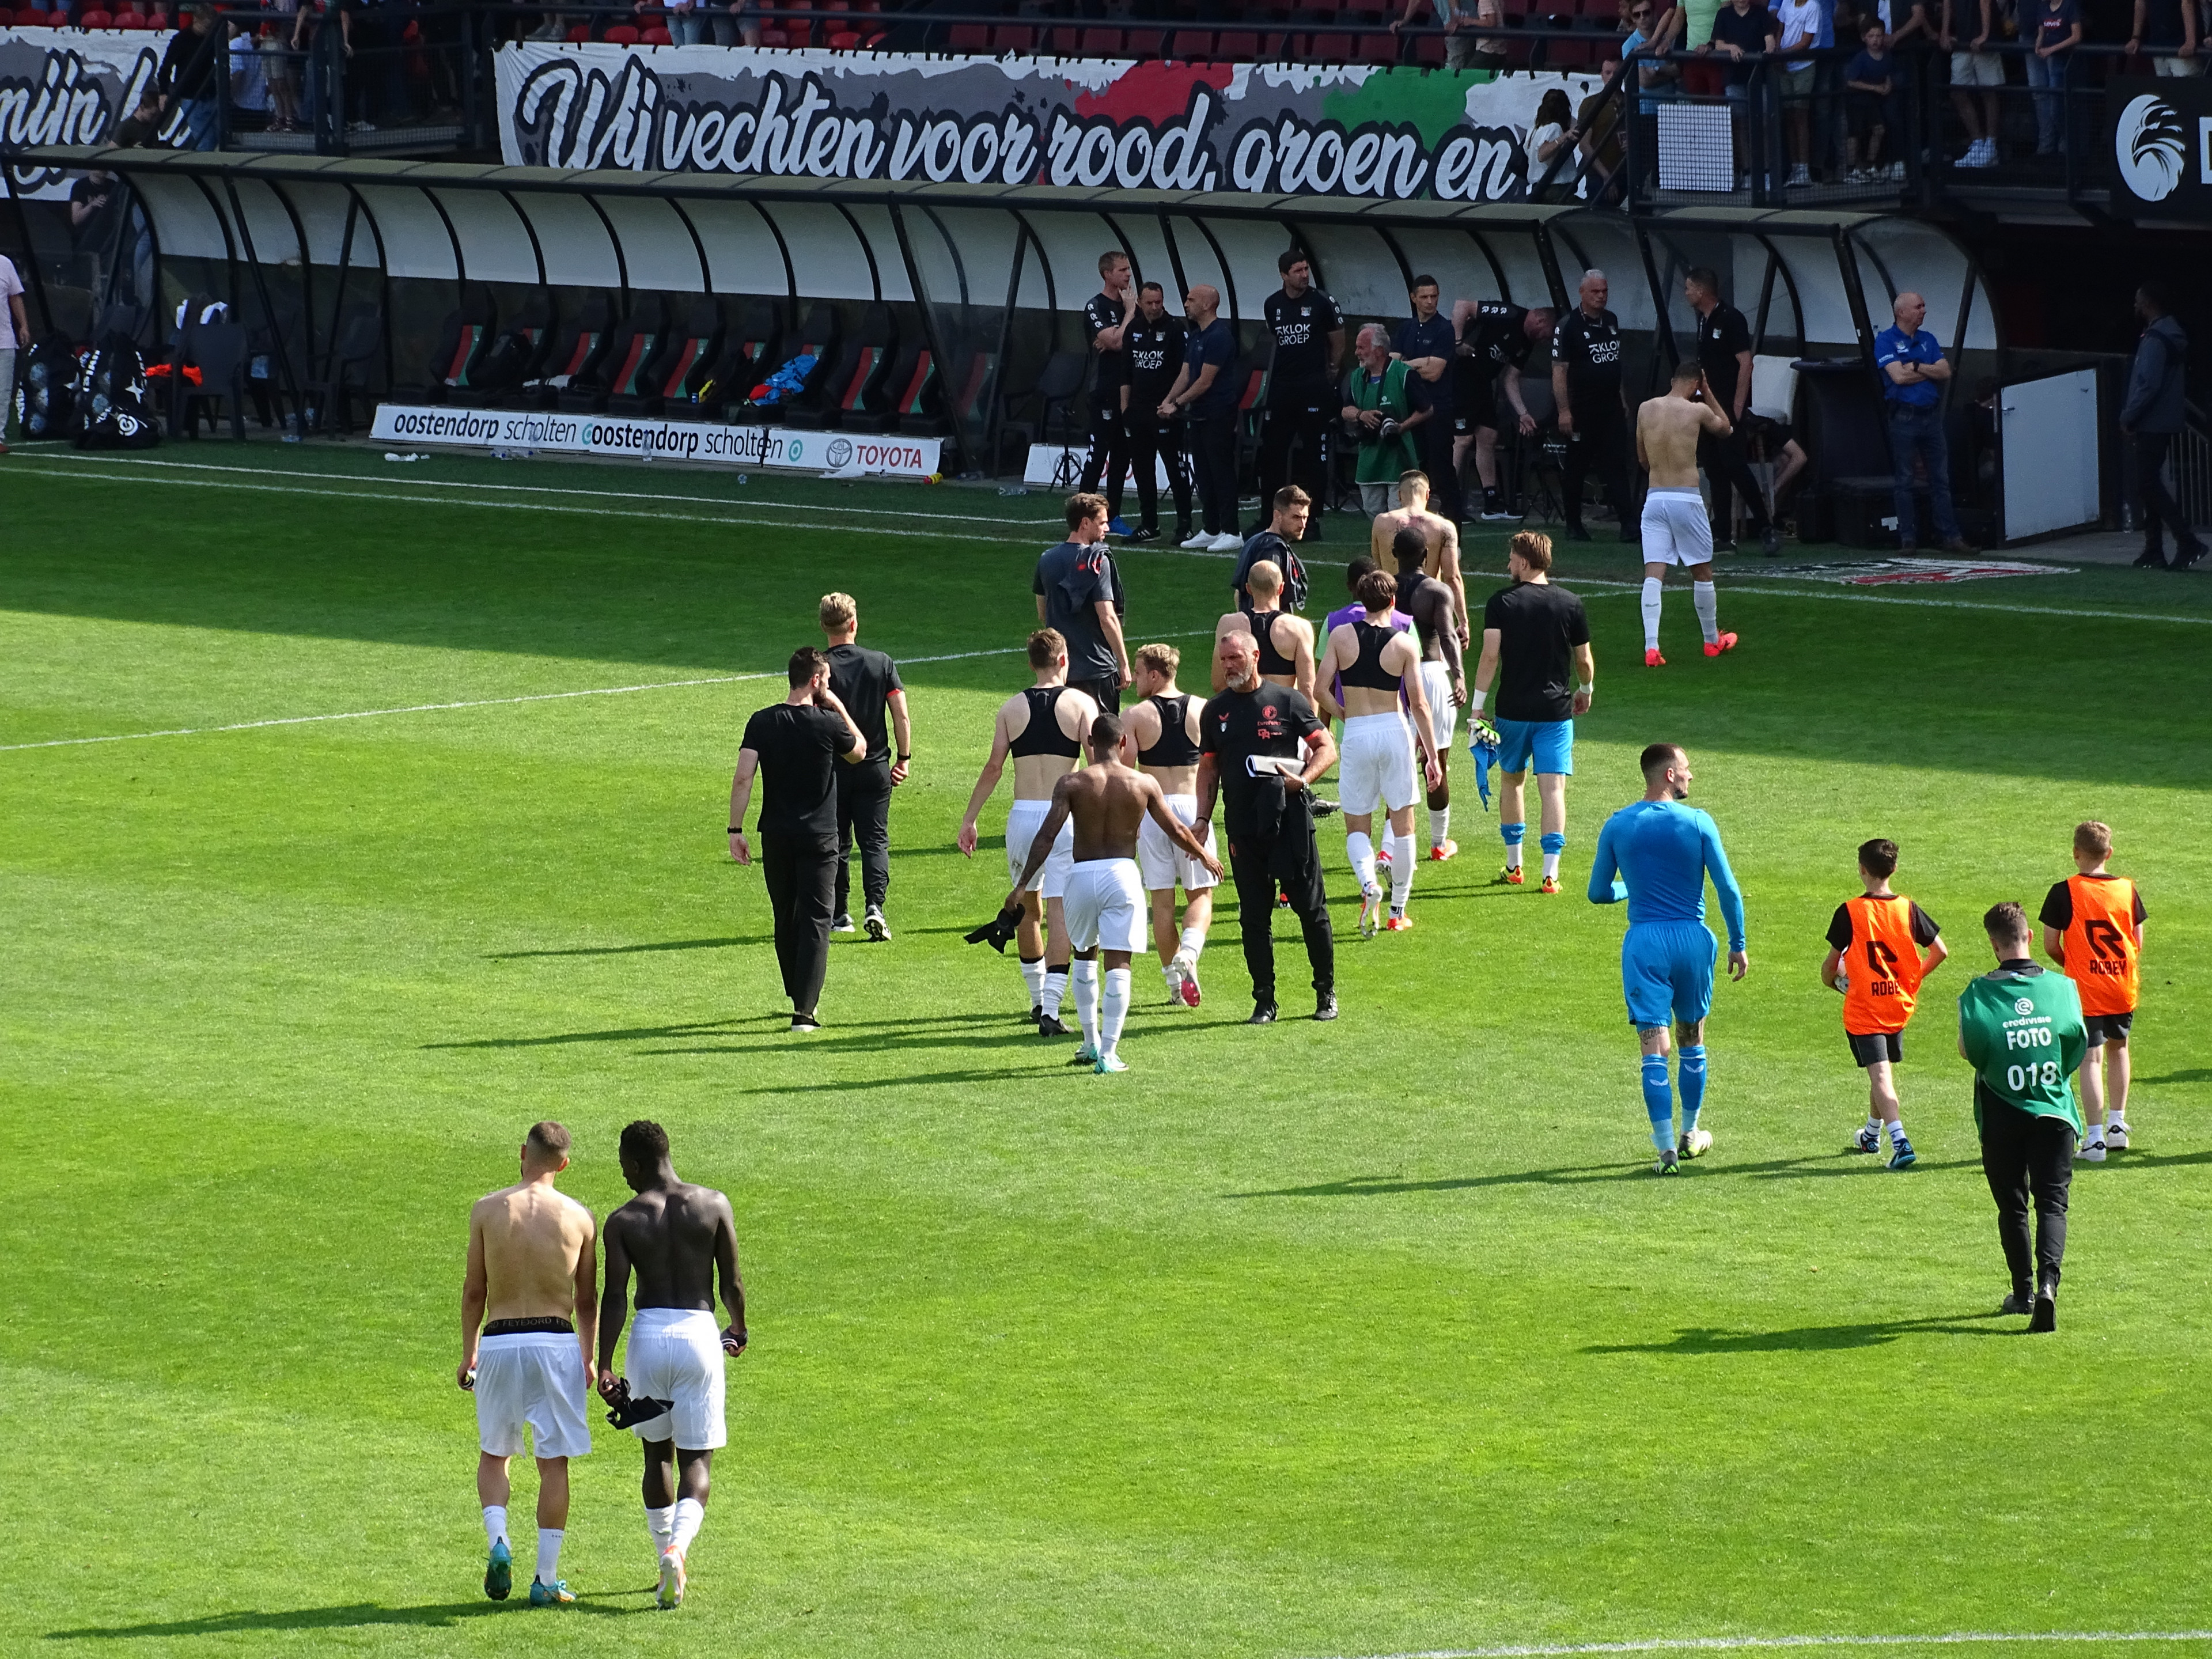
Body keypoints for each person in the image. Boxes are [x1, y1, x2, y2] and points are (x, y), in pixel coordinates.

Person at [1009, 713, 1222, 1071]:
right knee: (1119, 962)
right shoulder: (1143, 783)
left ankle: (1089, 1042)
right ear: (1124, 743)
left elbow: (1046, 836)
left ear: (1091, 743)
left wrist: (1021, 885)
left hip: (1080, 875)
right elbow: (1176, 830)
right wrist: (1204, 855)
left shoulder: (1072, 782)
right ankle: (1109, 1052)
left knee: (1084, 957)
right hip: (1121, 875)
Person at [597, 1120, 748, 1609]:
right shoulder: (714, 1204)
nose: (623, 1176)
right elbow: (731, 1282)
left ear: (637, 1163)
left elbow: (615, 1297)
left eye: (624, 1167)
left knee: (656, 1456)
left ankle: (665, 1555)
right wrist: (738, 1327)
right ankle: (678, 1551)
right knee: (696, 1460)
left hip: (649, 1337)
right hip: (699, 1335)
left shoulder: (623, 1220)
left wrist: (604, 1364)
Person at [1587, 744, 1749, 1174]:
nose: (1691, 775)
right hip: (1693, 940)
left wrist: (1633, 888)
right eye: (1686, 769)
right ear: (1669, 775)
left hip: (1645, 944)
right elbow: (1728, 889)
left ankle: (1665, 1153)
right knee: (1691, 1038)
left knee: (1653, 1048)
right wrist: (1738, 942)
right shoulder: (1698, 822)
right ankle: (1690, 1134)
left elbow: (1598, 892)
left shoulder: (1618, 825)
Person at [460, 1121, 598, 1608]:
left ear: (523, 1152)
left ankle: (499, 1539)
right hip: (556, 1341)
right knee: (553, 1463)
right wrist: (589, 1356)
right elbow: (587, 1299)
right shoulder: (580, 1218)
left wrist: (469, 1351)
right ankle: (546, 1579)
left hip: (499, 1341)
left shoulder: (487, 1210)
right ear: (565, 1164)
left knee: (494, 1453)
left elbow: (475, 1291)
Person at [960, 631, 1101, 1034]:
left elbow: (994, 768)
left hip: (1022, 817)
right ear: (1064, 660)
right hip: (1063, 817)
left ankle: (1038, 1001)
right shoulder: (1080, 705)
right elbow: (1096, 765)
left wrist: (970, 819)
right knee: (1058, 909)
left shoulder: (1011, 708)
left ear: (1030, 663)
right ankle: (1052, 1009)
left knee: (1026, 907)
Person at [1196, 631, 1340, 1023]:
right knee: (1254, 918)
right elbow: (1208, 768)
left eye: (1235, 658)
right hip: (1243, 827)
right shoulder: (1215, 711)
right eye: (1223, 660)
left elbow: (1327, 748)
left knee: (1312, 911)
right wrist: (1202, 819)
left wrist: (1303, 781)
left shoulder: (1287, 701)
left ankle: (1325, 993)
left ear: (1255, 656)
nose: (1228, 666)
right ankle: (1264, 1000)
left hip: (1290, 823)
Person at [1957, 903, 2086, 1332]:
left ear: (1994, 945)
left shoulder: (1977, 994)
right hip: (2053, 1109)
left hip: (2001, 1112)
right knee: (2052, 1203)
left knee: (2012, 1205)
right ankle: (2049, 1284)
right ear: (2029, 936)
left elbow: (1969, 1050)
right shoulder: (2064, 988)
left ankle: (2023, 1292)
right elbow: (2076, 1046)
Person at [727, 650, 867, 1033]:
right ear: (816, 680)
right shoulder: (828, 723)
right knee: (818, 919)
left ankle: (796, 990)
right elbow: (860, 752)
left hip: (776, 834)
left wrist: (735, 830)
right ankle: (805, 1011)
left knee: (785, 915)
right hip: (820, 836)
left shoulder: (761, 721)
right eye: (828, 681)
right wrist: (839, 707)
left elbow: (743, 777)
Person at [1317, 569, 1446, 935]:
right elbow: (1419, 705)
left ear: (1361, 599)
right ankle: (1397, 910)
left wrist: (1345, 715)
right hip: (1394, 730)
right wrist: (1432, 756)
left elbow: (1320, 689)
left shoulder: (1341, 636)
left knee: (1357, 823)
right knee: (1404, 824)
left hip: (1357, 733)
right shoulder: (1404, 643)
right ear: (1393, 601)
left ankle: (1368, 882)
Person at [1472, 531, 1593, 893]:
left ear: (1524, 562)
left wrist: (1477, 706)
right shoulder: (1571, 603)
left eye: (1511, 559)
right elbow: (1584, 660)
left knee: (1512, 781)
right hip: (1555, 712)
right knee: (1553, 789)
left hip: (1512, 711)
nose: (1508, 565)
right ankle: (1550, 874)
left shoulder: (1501, 602)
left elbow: (1490, 656)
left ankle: (1514, 866)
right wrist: (1586, 690)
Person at [1821, 839, 1947, 1171]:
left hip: (1865, 1009)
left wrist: (1835, 983)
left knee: (1880, 1076)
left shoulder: (1850, 911)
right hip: (1897, 1005)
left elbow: (1830, 967)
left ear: (1862, 869)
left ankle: (1901, 1142)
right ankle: (1871, 1135)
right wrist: (1912, 980)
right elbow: (1940, 951)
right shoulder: (1908, 908)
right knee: (1882, 1071)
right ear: (1894, 868)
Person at [2040, 820, 2148, 1164]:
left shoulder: (2064, 891)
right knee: (2120, 1049)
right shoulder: (2127, 889)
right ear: (2109, 853)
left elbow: (2050, 944)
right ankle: (2117, 1125)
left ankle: (2095, 1138)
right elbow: (2137, 941)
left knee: (2091, 1058)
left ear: (2075, 853)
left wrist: (2075, 964)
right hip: (2121, 985)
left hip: (2085, 990)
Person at [1121, 644, 1222, 1006]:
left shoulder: (1134, 716)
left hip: (1154, 812)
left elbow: (1126, 773)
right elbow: (1215, 762)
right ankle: (1190, 952)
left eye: (1138, 672)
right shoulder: (1203, 709)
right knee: (1201, 895)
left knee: (1162, 904)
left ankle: (1176, 989)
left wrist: (1130, 821)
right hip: (1193, 810)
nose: (1133, 679)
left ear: (1154, 674)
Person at [1634, 360, 1740, 665]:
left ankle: (1651, 648)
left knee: (1653, 575)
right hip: (1686, 498)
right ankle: (1711, 641)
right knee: (1702, 572)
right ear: (1696, 384)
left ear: (1673, 380)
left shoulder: (1645, 408)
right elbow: (1727, 428)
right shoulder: (1698, 410)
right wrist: (1708, 392)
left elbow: (1642, 458)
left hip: (1655, 499)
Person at [818, 593, 910, 943]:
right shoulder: (880, 662)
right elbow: (900, 714)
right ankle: (876, 907)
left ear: (823, 626)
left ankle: (840, 913)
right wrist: (903, 758)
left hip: (832, 769)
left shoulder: (818, 669)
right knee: (875, 841)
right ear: (854, 624)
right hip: (875, 768)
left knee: (836, 841)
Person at [1683, 269, 1783, 557]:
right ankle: (1723, 535)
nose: (1686, 294)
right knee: (1714, 469)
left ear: (1701, 291)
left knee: (1735, 466)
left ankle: (1766, 527)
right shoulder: (1703, 320)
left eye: (1689, 288)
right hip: (1706, 405)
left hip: (1727, 406)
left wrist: (1738, 406)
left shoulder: (1731, 319)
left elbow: (1745, 362)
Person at [1388, 527, 1467, 862]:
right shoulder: (1436, 590)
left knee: (1398, 765)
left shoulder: (1384, 587)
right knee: (1437, 761)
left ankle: (1391, 847)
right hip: (1431, 674)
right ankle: (1438, 843)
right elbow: (1448, 636)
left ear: (1394, 554)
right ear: (1426, 555)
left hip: (1393, 676)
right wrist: (1460, 675)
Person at [1255, 250, 1346, 540]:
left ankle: (1312, 520)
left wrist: (1331, 371)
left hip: (1313, 387)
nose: (1304, 275)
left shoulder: (1322, 302)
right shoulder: (1273, 304)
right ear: (1284, 275)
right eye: (1298, 271)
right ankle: (1270, 518)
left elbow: (1338, 341)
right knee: (1273, 455)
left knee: (1314, 457)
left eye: (1306, 269)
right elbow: (1276, 340)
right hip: (1282, 387)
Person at [1876, 291, 1974, 554]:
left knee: (1941, 479)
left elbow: (1945, 372)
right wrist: (1928, 371)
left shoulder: (1927, 339)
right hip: (1904, 417)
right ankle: (1908, 538)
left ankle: (1950, 536)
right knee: (1905, 480)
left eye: (1923, 306)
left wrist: (1917, 366)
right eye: (1918, 307)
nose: (1923, 311)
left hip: (1931, 417)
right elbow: (1898, 378)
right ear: (1902, 312)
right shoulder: (1885, 340)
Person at [2120, 282, 2204, 570]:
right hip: (2164, 419)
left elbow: (2148, 384)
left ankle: (2185, 540)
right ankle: (2154, 548)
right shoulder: (2170, 334)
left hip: (2152, 421)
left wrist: (2129, 415)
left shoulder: (2155, 339)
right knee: (2148, 483)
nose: (2135, 306)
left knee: (2147, 483)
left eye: (2138, 301)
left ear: (2148, 304)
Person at [1552, 271, 1637, 545]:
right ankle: (1573, 524)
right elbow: (1559, 371)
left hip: (1611, 407)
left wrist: (1622, 399)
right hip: (1582, 409)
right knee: (1576, 466)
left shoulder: (1611, 320)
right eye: (1595, 292)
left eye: (1604, 291)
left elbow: (1615, 363)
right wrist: (1564, 411)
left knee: (1617, 464)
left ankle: (1628, 524)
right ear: (1582, 292)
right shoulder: (1568, 325)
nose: (1601, 296)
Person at [1453, 298, 1555, 524]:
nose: (1545, 340)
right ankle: (1447, 503)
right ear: (1540, 320)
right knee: (1462, 439)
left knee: (1488, 436)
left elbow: (1510, 379)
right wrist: (1457, 342)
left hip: (1482, 383)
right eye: (1546, 335)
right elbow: (1463, 306)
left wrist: (1523, 413)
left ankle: (1492, 503)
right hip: (1461, 375)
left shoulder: (1527, 343)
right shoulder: (1509, 314)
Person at [1157, 283, 1241, 554]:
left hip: (1218, 414)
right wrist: (1168, 400)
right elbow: (1185, 375)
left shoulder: (1219, 336)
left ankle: (1232, 531)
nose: (1186, 303)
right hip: (1198, 415)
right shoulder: (1195, 336)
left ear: (1207, 304)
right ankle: (1211, 528)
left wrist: (1177, 404)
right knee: (1204, 474)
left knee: (1221, 473)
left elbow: (1205, 381)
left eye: (1191, 299)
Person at [1033, 492, 1132, 711]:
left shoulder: (1046, 559)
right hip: (1097, 670)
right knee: (1103, 732)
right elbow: (1107, 617)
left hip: (1060, 671)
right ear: (1085, 523)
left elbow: (1042, 613)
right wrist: (1124, 664)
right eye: (1102, 523)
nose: (1107, 528)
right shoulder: (1097, 561)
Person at [1123, 282, 1193, 546]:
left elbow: (1185, 372)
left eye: (1159, 302)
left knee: (1175, 469)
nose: (1155, 307)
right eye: (1150, 303)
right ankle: (1149, 525)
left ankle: (1185, 525)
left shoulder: (1175, 328)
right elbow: (1126, 373)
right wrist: (1125, 409)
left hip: (1165, 412)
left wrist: (1172, 403)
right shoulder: (1133, 329)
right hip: (1138, 411)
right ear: (1140, 303)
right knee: (1142, 470)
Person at [1393, 275, 1465, 524]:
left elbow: (1435, 372)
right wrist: (1419, 364)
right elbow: (1392, 366)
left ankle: (1454, 524)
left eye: (1434, 296)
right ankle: (1414, 524)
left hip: (1438, 409)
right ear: (1413, 298)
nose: (1430, 301)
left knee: (1442, 470)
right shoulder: (1405, 328)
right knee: (1413, 470)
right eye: (1424, 297)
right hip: (1411, 408)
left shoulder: (1444, 329)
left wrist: (1407, 365)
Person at [1368, 471, 1469, 645]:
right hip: (1427, 605)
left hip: (1391, 608)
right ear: (1428, 494)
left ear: (1399, 495)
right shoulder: (1444, 527)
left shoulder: (1381, 522)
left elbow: (1377, 568)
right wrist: (1463, 622)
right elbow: (1452, 577)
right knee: (1429, 655)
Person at [1343, 325, 1433, 518]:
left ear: (1379, 351)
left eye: (1361, 347)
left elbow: (1427, 409)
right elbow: (1345, 410)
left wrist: (1400, 427)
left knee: (1399, 514)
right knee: (1373, 510)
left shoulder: (1404, 374)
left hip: (1399, 454)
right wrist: (1361, 415)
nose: (1356, 352)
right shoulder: (1357, 376)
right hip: (1369, 455)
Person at [1081, 251, 1135, 535]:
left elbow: (1125, 340)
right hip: (1103, 389)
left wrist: (1119, 334)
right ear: (1108, 274)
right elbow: (1114, 343)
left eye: (1128, 269)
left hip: (1129, 391)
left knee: (1122, 457)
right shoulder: (1096, 305)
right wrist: (1128, 319)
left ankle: (1112, 517)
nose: (1128, 274)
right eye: (1122, 270)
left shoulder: (1133, 305)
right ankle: (1083, 517)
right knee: (1098, 455)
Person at [1215, 558, 1317, 702]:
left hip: (1241, 710)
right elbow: (1307, 688)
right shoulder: (1299, 628)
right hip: (1281, 712)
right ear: (1281, 588)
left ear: (1249, 589)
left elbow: (1219, 684)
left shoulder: (1228, 623)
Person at [1703, 0, 1781, 184]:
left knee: (1765, 123)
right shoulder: (1724, 15)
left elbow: (1769, 40)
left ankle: (1767, 173)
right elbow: (1718, 44)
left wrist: (1769, 50)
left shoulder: (1761, 13)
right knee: (1740, 125)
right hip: (1734, 78)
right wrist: (1731, 47)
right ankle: (1747, 173)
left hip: (1760, 78)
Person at [1230, 483, 1312, 612]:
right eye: (1296, 517)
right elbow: (1268, 601)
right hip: (1269, 624)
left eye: (1305, 518)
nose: (1303, 525)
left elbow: (1238, 594)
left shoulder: (1254, 541)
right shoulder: (1273, 550)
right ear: (1277, 515)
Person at [1941, 0, 2003, 168]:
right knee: (1957, 92)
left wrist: (1985, 34)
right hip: (1963, 40)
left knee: (1989, 91)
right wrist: (1944, 33)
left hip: (1983, 42)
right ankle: (1977, 143)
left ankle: (1991, 147)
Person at [157, 5, 225, 151]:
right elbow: (165, 69)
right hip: (191, 97)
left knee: (223, 138)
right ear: (196, 20)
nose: (209, 30)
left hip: (212, 94)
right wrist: (163, 92)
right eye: (206, 27)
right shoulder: (181, 40)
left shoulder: (213, 37)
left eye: (211, 27)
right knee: (205, 142)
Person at [1844, 22, 1902, 179]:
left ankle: (1870, 166)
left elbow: (1889, 72)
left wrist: (1888, 84)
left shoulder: (1887, 56)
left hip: (1873, 102)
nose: (1875, 40)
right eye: (1871, 36)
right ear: (1864, 38)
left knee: (1879, 130)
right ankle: (1851, 170)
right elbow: (1851, 81)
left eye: (1878, 36)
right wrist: (1874, 88)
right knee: (1855, 134)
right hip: (1856, 102)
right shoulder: (1860, 58)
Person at [2025, 0, 2081, 157]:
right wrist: (2039, 44)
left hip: (2063, 61)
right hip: (2048, 59)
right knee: (2051, 104)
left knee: (2058, 107)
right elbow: (2041, 30)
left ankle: (2070, 143)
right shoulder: (2043, 6)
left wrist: (2051, 49)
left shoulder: (2070, 5)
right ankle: (2059, 144)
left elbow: (2077, 36)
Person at [2127, 0, 2202, 73]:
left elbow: (2188, 2)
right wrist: (2136, 38)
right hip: (2158, 45)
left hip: (2181, 45)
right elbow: (2141, 2)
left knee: (2185, 78)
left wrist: (2190, 41)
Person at [0, 251, 25, 455]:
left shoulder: (5, 263)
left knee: (3, 391)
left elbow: (15, 297)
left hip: (4, 339)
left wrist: (23, 325)